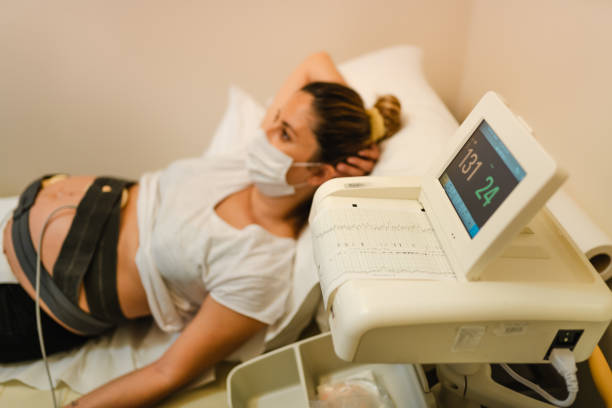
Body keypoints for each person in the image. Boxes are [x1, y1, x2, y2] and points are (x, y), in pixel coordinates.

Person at [0, 51, 401, 407]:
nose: (265, 134)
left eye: (284, 134)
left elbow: (169, 372)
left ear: (319, 172)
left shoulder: (260, 264)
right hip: (31, 214)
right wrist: (366, 131)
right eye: (276, 119)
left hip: (42, 302)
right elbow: (316, 61)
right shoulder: (246, 164)